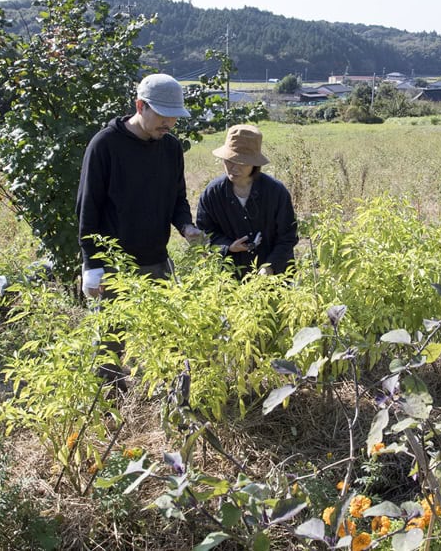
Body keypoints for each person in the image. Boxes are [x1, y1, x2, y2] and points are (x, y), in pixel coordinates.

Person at [76, 73, 202, 388]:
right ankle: (108, 405)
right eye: (162, 115)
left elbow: (177, 198)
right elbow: (87, 206)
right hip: (114, 266)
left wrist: (185, 226)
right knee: (110, 342)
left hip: (157, 259)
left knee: (165, 335)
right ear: (140, 106)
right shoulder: (105, 145)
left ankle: (160, 398)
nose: (169, 123)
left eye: (174, 117)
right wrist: (91, 264)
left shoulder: (171, 148)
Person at [196, 124, 297, 277]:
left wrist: (270, 266)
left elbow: (288, 236)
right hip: (231, 276)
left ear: (254, 164)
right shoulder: (213, 193)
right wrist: (228, 246)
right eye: (229, 160)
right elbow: (205, 233)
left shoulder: (275, 192)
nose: (234, 167)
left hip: (275, 278)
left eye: (241, 162)